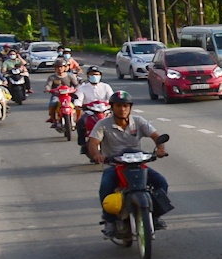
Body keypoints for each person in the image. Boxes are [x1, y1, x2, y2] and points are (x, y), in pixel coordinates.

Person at [86, 92, 174, 226]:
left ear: (130, 107)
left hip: (137, 165)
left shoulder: (138, 121)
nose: (122, 109)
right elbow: (93, 142)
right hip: (115, 166)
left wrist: (160, 149)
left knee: (161, 183)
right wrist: (97, 155)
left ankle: (155, 216)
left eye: (125, 106)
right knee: (105, 187)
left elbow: (156, 136)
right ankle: (109, 220)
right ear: (112, 107)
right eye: (118, 106)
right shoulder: (103, 124)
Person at [73, 67, 113, 144]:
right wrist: (77, 105)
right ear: (88, 76)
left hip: (105, 111)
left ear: (100, 76)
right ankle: (82, 143)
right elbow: (79, 98)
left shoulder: (106, 86)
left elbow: (111, 97)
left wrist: (113, 104)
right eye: (92, 74)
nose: (94, 76)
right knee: (80, 122)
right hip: (90, 112)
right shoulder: (82, 87)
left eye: (96, 74)